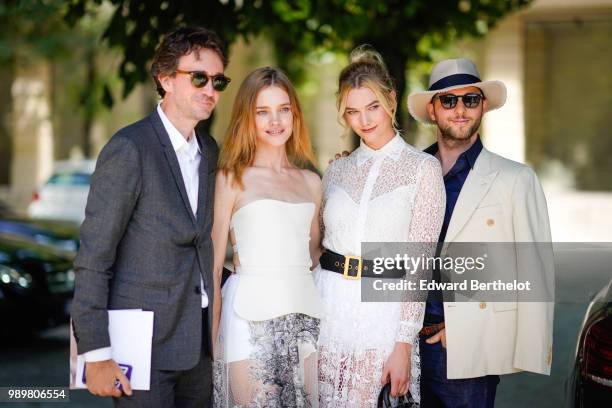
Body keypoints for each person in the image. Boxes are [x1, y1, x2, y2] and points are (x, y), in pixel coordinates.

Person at [71, 26, 231, 406]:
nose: (210, 90)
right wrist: (96, 353)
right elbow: (94, 257)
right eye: (198, 77)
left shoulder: (210, 151)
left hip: (200, 348)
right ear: (165, 80)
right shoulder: (129, 149)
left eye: (218, 80)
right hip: (140, 349)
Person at [407, 58, 554, 407]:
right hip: (402, 343)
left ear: (483, 106)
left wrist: (472, 330)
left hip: (463, 346)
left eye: (470, 99)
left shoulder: (515, 180)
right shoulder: (409, 173)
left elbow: (532, 272)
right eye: (448, 100)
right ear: (432, 109)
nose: (460, 110)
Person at [315, 45, 445, 407]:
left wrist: (404, 342)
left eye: (372, 107)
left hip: (383, 313)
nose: (365, 120)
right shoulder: (336, 170)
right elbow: (317, 246)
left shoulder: (422, 170)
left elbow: (420, 265)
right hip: (327, 306)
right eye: (353, 111)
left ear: (391, 99)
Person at [211, 67, 325, 407]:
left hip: (304, 316)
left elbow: (316, 256)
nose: (275, 121)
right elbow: (214, 268)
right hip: (247, 317)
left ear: (294, 114)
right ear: (248, 117)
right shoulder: (231, 178)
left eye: (283, 109)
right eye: (263, 111)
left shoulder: (312, 182)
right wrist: (210, 342)